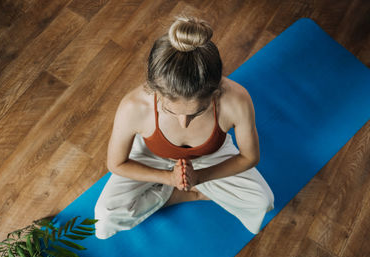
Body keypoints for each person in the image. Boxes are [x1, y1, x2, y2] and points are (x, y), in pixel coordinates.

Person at [94, 15, 275, 240]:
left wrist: (199, 176)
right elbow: (116, 164)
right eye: (172, 111)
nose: (184, 123)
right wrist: (169, 178)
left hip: (212, 156)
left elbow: (249, 157)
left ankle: (192, 191)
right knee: (104, 216)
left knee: (262, 202)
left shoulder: (236, 99)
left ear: (215, 90)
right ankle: (184, 193)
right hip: (151, 156)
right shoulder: (134, 106)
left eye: (197, 112)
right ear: (155, 91)